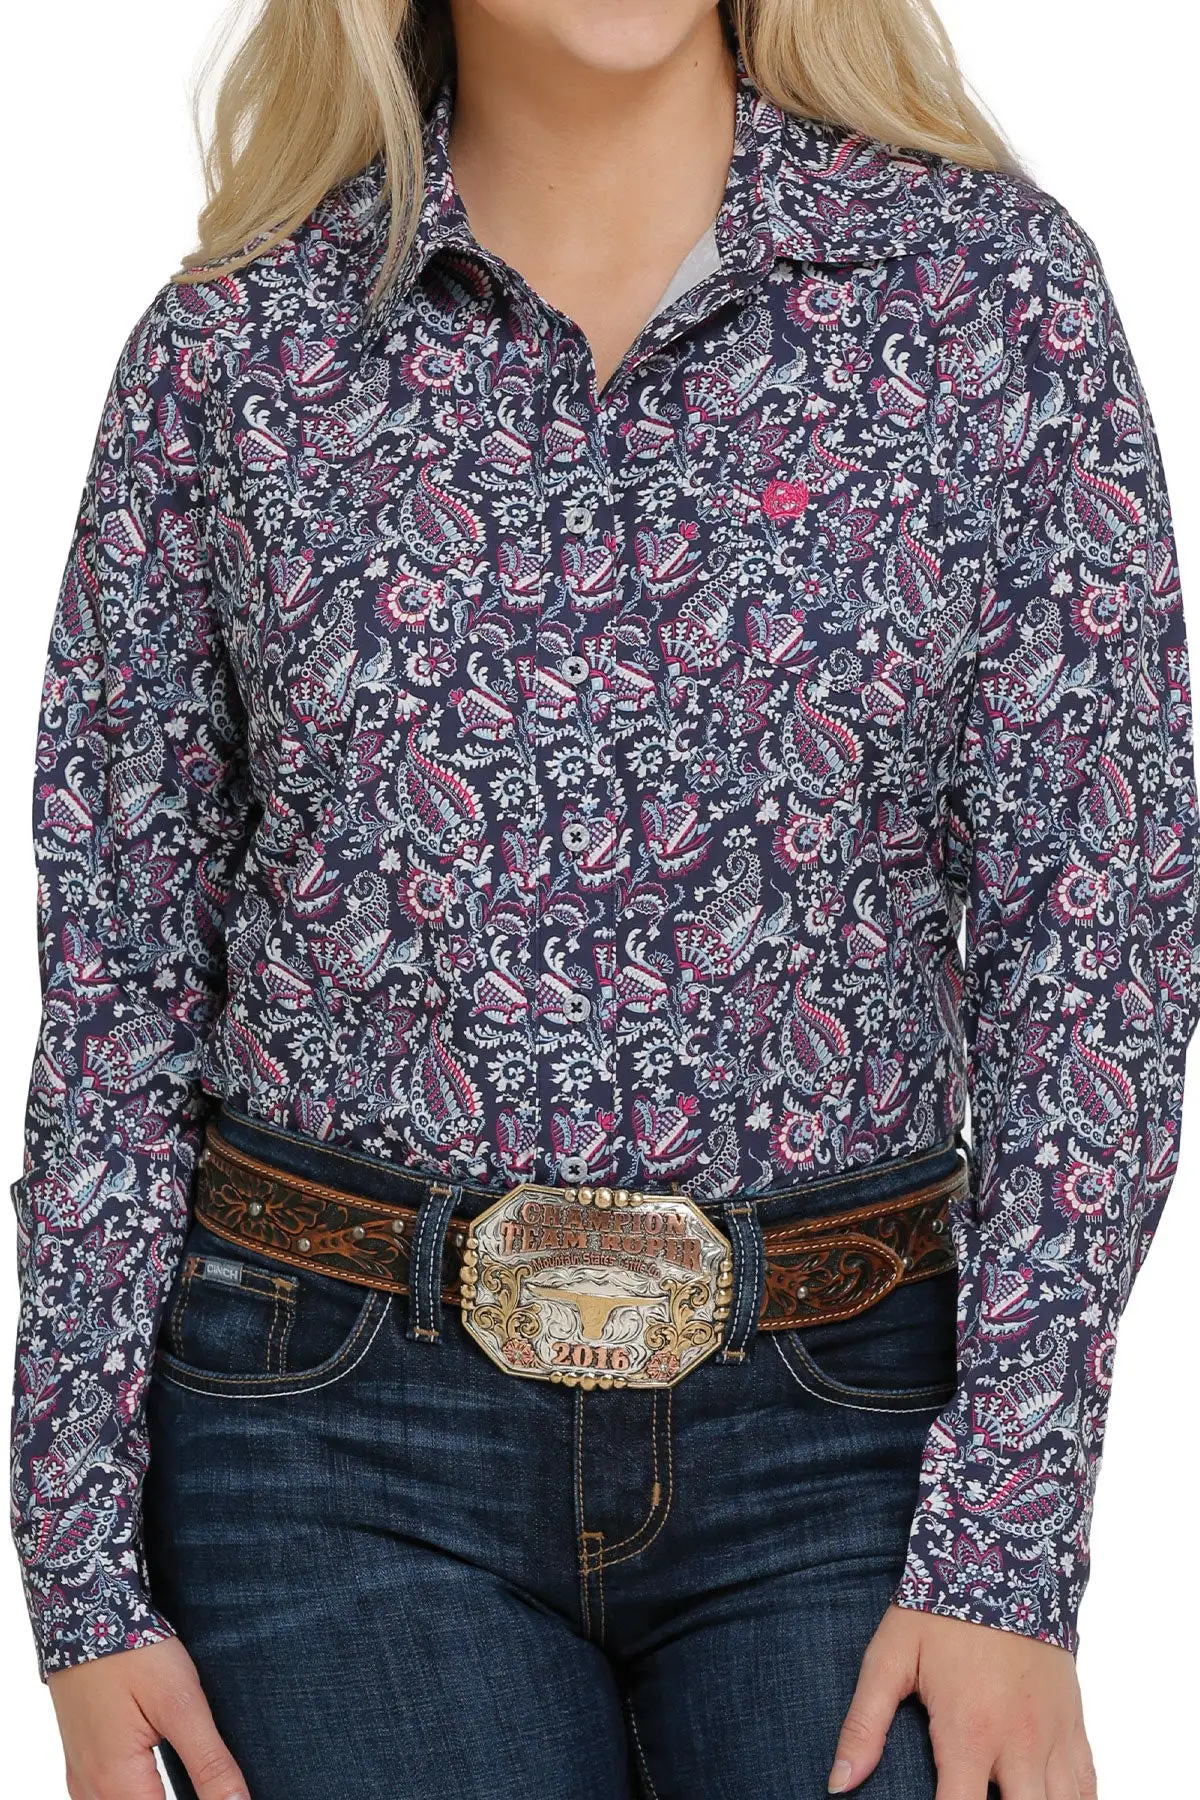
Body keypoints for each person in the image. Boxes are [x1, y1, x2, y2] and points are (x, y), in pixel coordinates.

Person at [10, 1, 1197, 1796]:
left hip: (854, 1440)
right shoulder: (239, 349)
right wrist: (78, 1575)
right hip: (332, 1438)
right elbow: (118, 980)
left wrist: (1010, 1552)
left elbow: (1100, 940)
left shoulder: (987, 301)